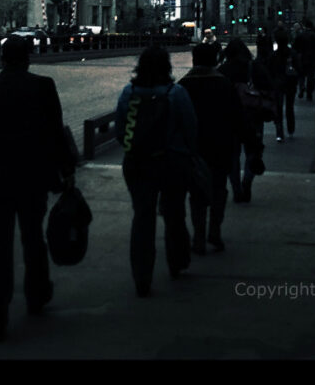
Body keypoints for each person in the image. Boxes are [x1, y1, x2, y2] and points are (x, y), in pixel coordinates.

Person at [0, 35, 75, 343]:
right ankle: (37, 295)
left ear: (1, 58)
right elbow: (55, 133)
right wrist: (66, 170)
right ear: (28, 58)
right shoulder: (43, 87)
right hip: (32, 178)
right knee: (33, 237)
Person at [115, 44, 197, 297]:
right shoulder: (177, 93)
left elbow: (120, 132)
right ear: (167, 67)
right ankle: (177, 262)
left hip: (138, 163)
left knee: (142, 217)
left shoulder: (129, 93)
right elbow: (191, 131)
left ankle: (142, 278)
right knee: (174, 214)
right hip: (171, 162)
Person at [179, 42, 261, 255]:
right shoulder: (224, 85)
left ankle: (198, 236)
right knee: (218, 189)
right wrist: (252, 144)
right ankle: (214, 231)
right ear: (215, 60)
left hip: (194, 147)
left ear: (194, 59)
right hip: (221, 144)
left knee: (196, 193)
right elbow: (238, 117)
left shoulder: (183, 85)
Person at [219, 38, 273, 202]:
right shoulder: (254, 67)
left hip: (229, 118)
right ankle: (247, 183)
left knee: (232, 155)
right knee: (253, 151)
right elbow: (268, 89)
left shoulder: (223, 70)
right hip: (253, 115)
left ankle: (236, 189)